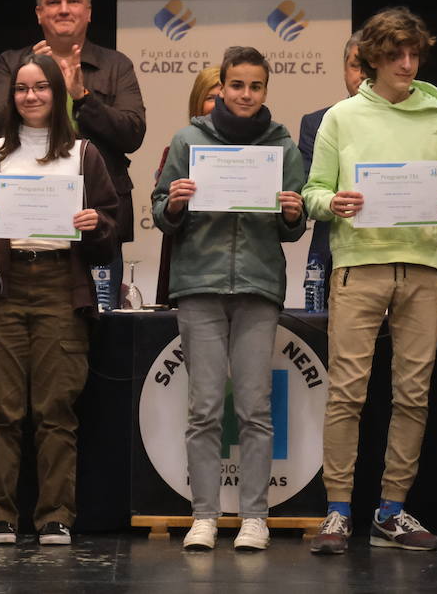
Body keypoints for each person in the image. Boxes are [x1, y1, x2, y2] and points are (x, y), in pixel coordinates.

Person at [302, 7, 437, 555]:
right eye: (396, 54)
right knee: (347, 392)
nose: (407, 63)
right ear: (372, 58)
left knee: (412, 394)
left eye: (414, 53)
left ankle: (392, 510)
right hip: (359, 265)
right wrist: (334, 202)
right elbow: (312, 193)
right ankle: (337, 511)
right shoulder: (341, 117)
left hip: (423, 267)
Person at [0, 52, 119, 547]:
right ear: (12, 97)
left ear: (57, 93)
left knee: (56, 411)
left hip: (59, 287)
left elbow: (110, 233)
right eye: (22, 89)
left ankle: (55, 516)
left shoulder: (84, 154)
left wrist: (96, 224)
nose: (31, 96)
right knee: (0, 412)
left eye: (41, 87)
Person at [152, 48, 307, 553]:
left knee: (256, 409)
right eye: (237, 85)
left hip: (258, 287)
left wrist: (292, 213)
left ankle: (255, 517)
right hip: (199, 285)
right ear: (222, 87)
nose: (245, 94)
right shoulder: (188, 140)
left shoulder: (282, 144)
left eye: (255, 86)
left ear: (265, 90)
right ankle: (204, 516)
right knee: (204, 409)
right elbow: (160, 210)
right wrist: (175, 202)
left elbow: (294, 226)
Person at [0, 0, 146, 291]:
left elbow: (132, 133)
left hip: (93, 213)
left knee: (99, 316)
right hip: (26, 209)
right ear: (39, 13)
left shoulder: (116, 65)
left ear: (88, 12)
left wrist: (82, 97)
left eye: (73, 1)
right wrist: (28, 79)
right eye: (54, 3)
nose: (64, 9)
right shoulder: (12, 63)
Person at [296, 33, 365, 297]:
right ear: (344, 69)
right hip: (333, 257)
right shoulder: (317, 122)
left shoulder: (409, 122)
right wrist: (332, 200)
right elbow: (307, 191)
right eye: (355, 65)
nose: (362, 74)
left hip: (397, 255)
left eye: (370, 66)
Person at [153, 66, 221, 304]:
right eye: (211, 98)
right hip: (190, 267)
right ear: (197, 102)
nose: (218, 105)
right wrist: (173, 204)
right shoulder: (179, 149)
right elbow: (162, 214)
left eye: (223, 98)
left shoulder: (256, 153)